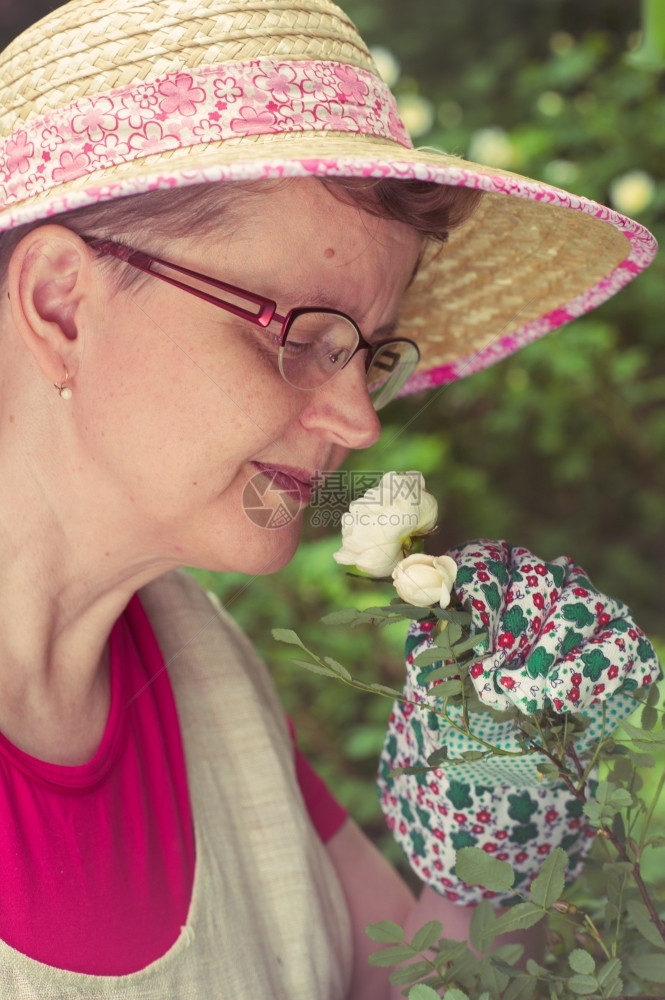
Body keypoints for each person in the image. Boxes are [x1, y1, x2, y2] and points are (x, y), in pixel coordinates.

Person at [0, 0, 656, 997]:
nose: (357, 419)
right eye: (301, 332)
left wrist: (515, 798)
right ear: (60, 307)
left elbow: (416, 980)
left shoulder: (199, 669)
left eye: (368, 351)